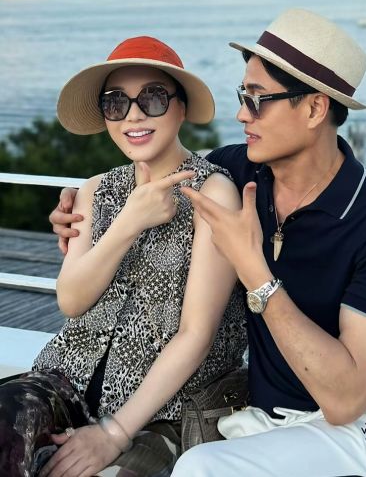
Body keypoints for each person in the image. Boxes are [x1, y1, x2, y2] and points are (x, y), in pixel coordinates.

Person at [50, 9, 366, 477]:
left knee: (201, 469)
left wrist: (255, 271)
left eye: (258, 100)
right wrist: (77, 209)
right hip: (269, 421)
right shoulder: (238, 174)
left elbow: (346, 400)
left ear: (315, 109)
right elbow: (158, 168)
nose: (242, 114)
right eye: (243, 96)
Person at [0, 36, 246, 477]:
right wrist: (129, 222)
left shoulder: (213, 192)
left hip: (163, 407)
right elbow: (71, 301)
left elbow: (196, 334)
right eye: (116, 102)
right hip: (67, 381)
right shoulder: (95, 190)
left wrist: (113, 433)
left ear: (181, 108)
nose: (133, 114)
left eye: (152, 98)